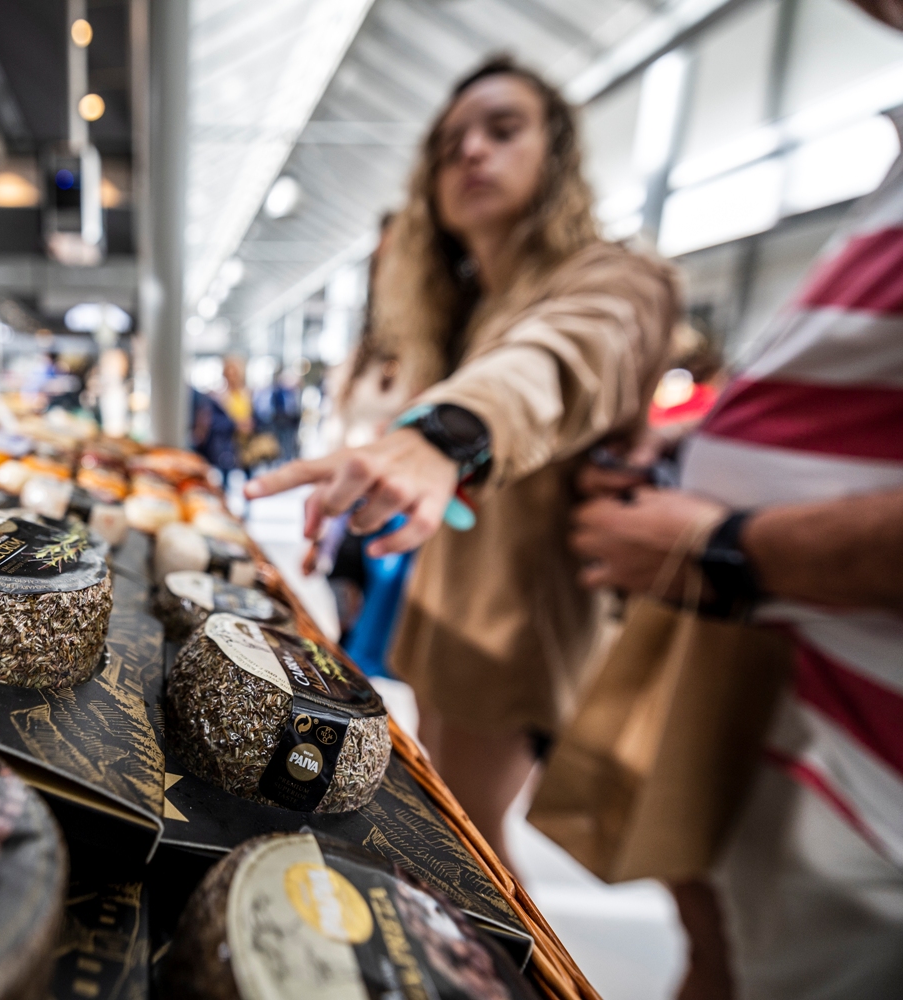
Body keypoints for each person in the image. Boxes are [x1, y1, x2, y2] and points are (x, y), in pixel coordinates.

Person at [247, 55, 680, 866]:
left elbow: (554, 362)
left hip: (520, 616)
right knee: (444, 812)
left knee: (467, 848)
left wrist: (444, 434)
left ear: (556, 153)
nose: (472, 152)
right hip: (447, 599)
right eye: (450, 145)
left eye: (503, 130)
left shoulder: (617, 278)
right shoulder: (465, 307)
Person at [568, 6, 903, 994]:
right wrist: (681, 456)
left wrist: (727, 546)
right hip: (777, 692)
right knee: (717, 946)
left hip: (868, 781)